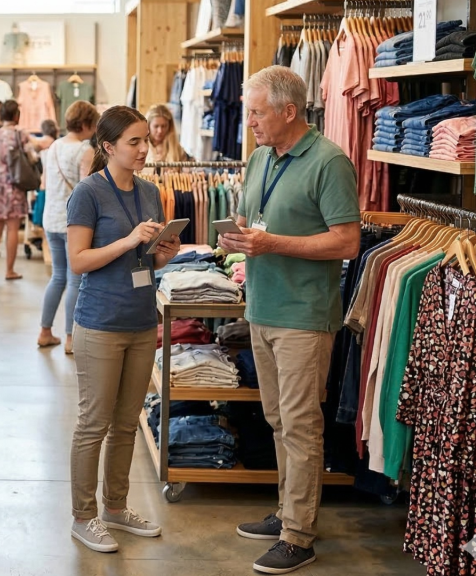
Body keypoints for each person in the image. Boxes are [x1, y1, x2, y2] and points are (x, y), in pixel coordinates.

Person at [218, 65, 360, 575]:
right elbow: (252, 221)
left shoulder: (329, 162)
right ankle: (286, 513)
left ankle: (299, 535)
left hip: (303, 315)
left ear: (289, 110)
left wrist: (271, 243)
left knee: (300, 425)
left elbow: (347, 242)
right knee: (278, 419)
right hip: (261, 306)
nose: (249, 120)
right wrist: (235, 237)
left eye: (256, 112)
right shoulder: (259, 158)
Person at [67, 106, 180, 554]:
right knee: (93, 423)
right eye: (133, 142)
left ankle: (115, 507)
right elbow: (78, 261)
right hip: (100, 321)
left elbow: (147, 261)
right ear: (108, 147)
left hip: (140, 319)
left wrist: (162, 253)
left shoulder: (151, 192)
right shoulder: (88, 193)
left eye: (144, 141)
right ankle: (83, 516)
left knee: (126, 425)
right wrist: (130, 239)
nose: (142, 148)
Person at [38, 101, 98, 353]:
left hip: (50, 217)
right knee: (76, 280)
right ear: (86, 124)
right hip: (73, 221)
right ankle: (71, 338)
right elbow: (86, 189)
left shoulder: (53, 146)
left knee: (58, 276)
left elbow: (45, 181)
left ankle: (44, 331)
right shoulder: (85, 150)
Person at [0, 99, 33, 281]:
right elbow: (31, 157)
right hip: (14, 185)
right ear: (16, 115)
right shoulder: (21, 135)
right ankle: (9, 270)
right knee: (12, 228)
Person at [143, 104, 190, 171]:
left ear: (169, 126)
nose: (160, 131)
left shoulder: (178, 150)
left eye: (164, 126)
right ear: (148, 126)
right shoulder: (140, 148)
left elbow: (189, 170)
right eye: (156, 126)